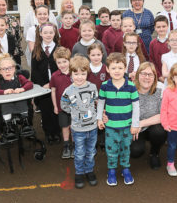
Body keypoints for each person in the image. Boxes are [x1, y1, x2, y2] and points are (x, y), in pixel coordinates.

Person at [97, 52, 140, 186]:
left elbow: (136, 107)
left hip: (127, 126)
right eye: (114, 68)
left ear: (125, 69)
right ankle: (111, 170)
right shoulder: (104, 86)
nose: (117, 71)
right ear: (108, 69)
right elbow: (100, 103)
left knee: (125, 148)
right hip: (110, 126)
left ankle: (125, 169)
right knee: (111, 150)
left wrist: (135, 124)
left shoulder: (131, 86)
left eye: (120, 68)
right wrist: (99, 119)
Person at [60, 55, 100, 189]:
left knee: (91, 151)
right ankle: (79, 173)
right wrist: (75, 112)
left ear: (87, 73)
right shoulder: (68, 91)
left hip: (93, 127)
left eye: (83, 74)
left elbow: (96, 102)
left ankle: (89, 170)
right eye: (76, 74)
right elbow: (64, 105)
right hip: (78, 129)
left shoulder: (93, 87)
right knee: (80, 152)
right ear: (71, 74)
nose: (79, 77)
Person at [0, 54, 35, 144]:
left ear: (14, 69)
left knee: (23, 101)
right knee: (5, 104)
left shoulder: (19, 78)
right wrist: (3, 92)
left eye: (10, 68)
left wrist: (22, 88)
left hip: (20, 103)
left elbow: (30, 84)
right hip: (6, 106)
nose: (7, 71)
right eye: (4, 69)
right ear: (0, 71)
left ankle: (25, 123)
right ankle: (9, 127)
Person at [129, 62, 167, 170]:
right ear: (137, 76)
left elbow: (163, 115)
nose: (147, 77)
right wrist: (134, 125)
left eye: (150, 74)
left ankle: (154, 153)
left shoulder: (160, 88)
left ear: (155, 77)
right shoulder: (129, 89)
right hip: (134, 127)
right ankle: (140, 143)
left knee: (159, 132)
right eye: (143, 74)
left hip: (153, 125)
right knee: (135, 152)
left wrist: (141, 123)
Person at [30, 22, 62, 144]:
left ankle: (57, 132)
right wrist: (43, 84)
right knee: (46, 110)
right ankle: (49, 133)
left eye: (51, 32)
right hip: (43, 87)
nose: (48, 35)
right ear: (40, 34)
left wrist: (53, 83)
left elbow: (62, 68)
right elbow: (35, 70)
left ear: (55, 34)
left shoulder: (59, 49)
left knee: (57, 109)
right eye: (45, 32)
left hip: (57, 86)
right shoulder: (36, 50)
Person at [50, 47, 73, 158]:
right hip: (61, 107)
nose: (62, 64)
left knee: (74, 126)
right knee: (65, 126)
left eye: (65, 61)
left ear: (70, 60)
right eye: (59, 62)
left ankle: (75, 146)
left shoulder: (75, 74)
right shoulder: (54, 76)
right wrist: (55, 106)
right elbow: (53, 91)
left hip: (75, 107)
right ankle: (66, 145)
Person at [149, 15, 170, 83]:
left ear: (168, 26)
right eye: (158, 27)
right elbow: (152, 61)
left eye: (163, 26)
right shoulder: (152, 43)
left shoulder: (172, 41)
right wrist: (159, 76)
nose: (161, 29)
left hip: (172, 76)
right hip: (158, 78)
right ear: (155, 28)